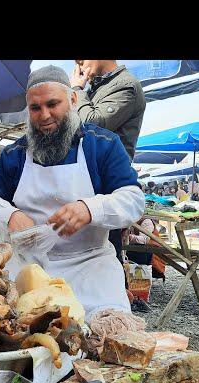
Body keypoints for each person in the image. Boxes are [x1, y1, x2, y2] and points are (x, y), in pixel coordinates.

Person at [0, 65, 145, 320]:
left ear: (73, 100)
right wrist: (10, 215)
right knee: (13, 330)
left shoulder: (103, 144)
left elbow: (133, 199)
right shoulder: (15, 154)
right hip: (29, 268)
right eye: (35, 108)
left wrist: (89, 209)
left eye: (53, 104)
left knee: (106, 336)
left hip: (91, 267)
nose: (44, 116)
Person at [69, 60, 146, 291]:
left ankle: (117, 314)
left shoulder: (126, 86)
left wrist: (75, 91)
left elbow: (91, 124)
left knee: (106, 252)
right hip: (91, 183)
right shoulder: (97, 86)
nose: (79, 64)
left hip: (108, 186)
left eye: (81, 59)